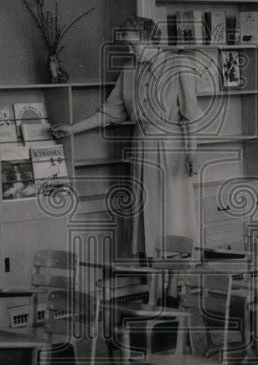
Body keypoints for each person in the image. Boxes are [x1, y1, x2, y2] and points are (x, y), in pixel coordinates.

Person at [52, 17, 202, 256]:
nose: (130, 51)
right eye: (128, 47)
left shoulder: (178, 65)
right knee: (148, 217)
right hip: (141, 145)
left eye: (134, 45)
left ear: (150, 39)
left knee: (173, 217)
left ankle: (173, 287)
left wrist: (192, 153)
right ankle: (155, 286)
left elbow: (191, 115)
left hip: (172, 149)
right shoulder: (130, 71)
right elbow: (109, 112)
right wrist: (72, 128)